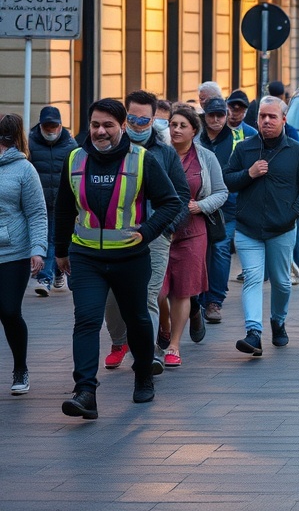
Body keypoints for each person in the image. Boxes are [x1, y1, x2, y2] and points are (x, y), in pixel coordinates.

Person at [54, 98, 182, 418]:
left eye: (108, 125)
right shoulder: (74, 159)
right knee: (86, 320)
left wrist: (147, 232)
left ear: (122, 126)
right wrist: (60, 250)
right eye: (95, 125)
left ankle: (143, 375)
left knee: (137, 319)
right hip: (86, 257)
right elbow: (64, 208)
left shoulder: (142, 159)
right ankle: (85, 391)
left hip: (129, 257)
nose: (100, 131)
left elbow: (171, 202)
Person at [224, 96, 299, 356]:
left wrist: (292, 213)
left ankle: (278, 321)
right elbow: (227, 180)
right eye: (262, 116)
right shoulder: (244, 148)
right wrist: (249, 173)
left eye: (272, 116)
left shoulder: (296, 151)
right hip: (248, 228)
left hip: (282, 229)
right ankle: (254, 333)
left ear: (283, 120)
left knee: (281, 282)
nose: (266, 120)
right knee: (253, 279)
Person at [103, 91, 190, 375]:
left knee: (149, 295)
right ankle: (120, 342)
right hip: (114, 235)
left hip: (154, 235)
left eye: (144, 120)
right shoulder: (110, 149)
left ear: (154, 119)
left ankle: (149, 354)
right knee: (112, 298)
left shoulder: (165, 153)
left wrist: (167, 228)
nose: (138, 124)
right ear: (124, 118)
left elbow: (181, 194)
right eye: (132, 118)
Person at [160, 105, 227, 367]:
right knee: (158, 291)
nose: (176, 130)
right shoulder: (159, 154)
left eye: (182, 126)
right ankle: (165, 325)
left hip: (192, 231)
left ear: (194, 131)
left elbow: (221, 192)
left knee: (182, 291)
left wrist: (201, 206)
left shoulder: (206, 157)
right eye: (172, 124)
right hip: (161, 231)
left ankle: (174, 345)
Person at [0, 114, 47, 395]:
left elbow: (37, 212)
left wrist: (38, 249)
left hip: (13, 252)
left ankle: (20, 368)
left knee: (8, 310)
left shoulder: (24, 169)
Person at [197, 97, 244, 323]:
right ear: (204, 115)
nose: (216, 119)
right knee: (198, 251)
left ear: (226, 116)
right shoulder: (195, 137)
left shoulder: (238, 139)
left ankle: (214, 301)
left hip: (227, 206)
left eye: (220, 115)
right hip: (198, 205)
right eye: (211, 115)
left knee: (220, 249)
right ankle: (196, 300)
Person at [27, 105, 77, 295]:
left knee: (60, 238)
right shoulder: (30, 143)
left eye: (53, 126)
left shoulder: (70, 145)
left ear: (60, 126)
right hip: (39, 202)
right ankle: (45, 277)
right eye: (47, 126)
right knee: (48, 238)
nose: (50, 130)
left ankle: (57, 272)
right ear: (40, 125)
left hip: (62, 202)